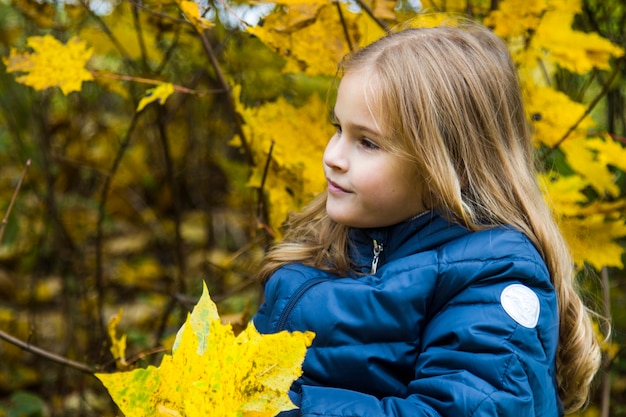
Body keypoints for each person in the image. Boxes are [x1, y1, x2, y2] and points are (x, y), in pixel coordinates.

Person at [252, 21, 602, 417]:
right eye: (338, 129)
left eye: (366, 142)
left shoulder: (494, 275)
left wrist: (272, 410)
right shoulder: (328, 248)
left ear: (446, 165)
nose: (332, 156)